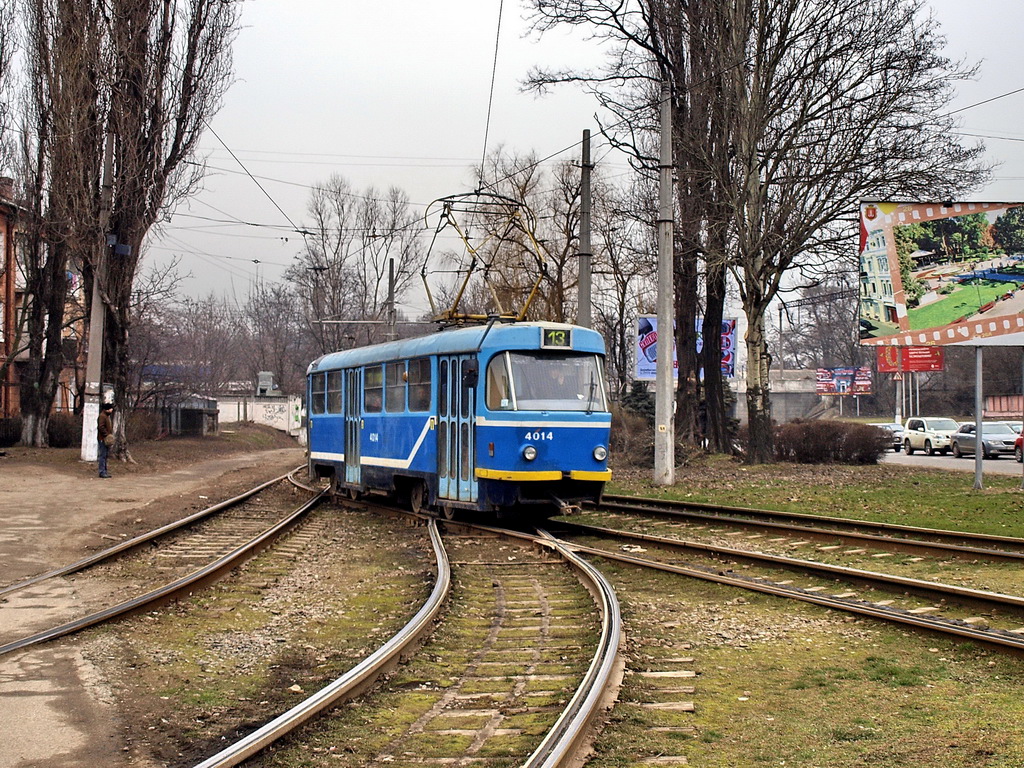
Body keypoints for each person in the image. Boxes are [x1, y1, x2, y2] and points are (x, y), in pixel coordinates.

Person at [97, 401, 114, 478]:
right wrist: (106, 435)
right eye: (110, 408)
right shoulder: (102, 416)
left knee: (105, 455)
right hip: (102, 439)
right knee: (103, 455)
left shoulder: (106, 416)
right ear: (107, 409)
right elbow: (101, 427)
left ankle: (104, 471)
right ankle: (102, 472)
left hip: (104, 439)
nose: (111, 410)